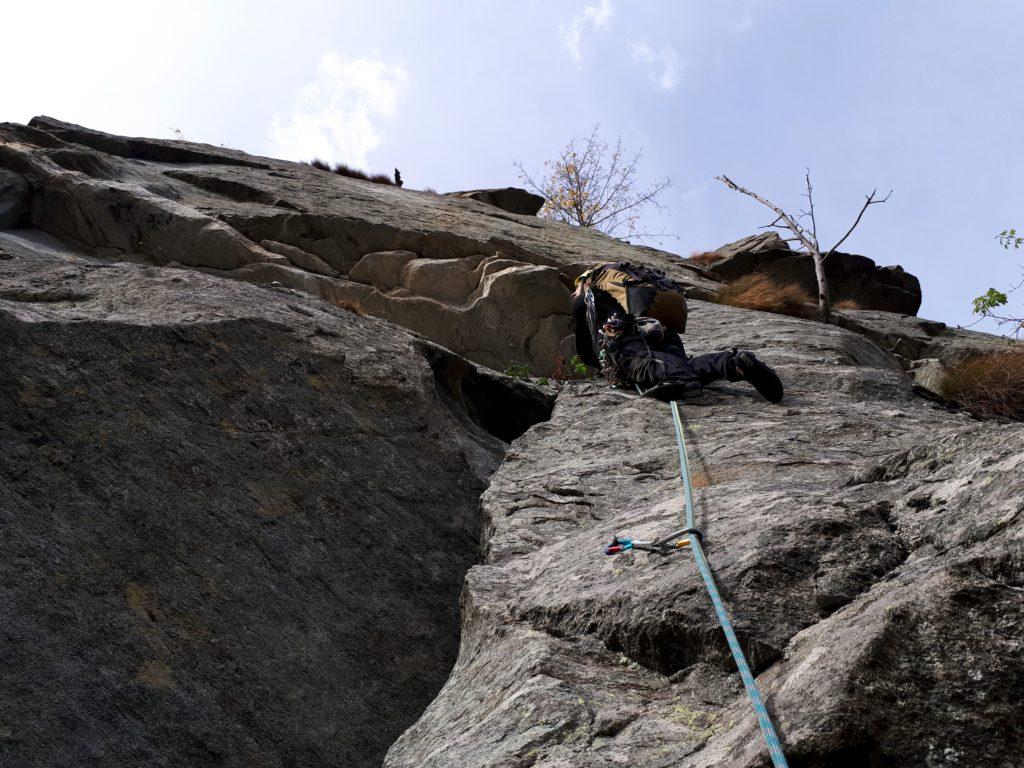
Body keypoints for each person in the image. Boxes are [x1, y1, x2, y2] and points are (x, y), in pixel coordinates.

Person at [571, 283, 784, 403]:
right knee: (687, 366)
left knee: (641, 363)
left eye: (575, 290)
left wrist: (580, 296)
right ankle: (734, 363)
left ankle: (679, 379)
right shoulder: (621, 295)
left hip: (624, 334)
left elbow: (586, 345)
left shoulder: (591, 297)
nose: (573, 294)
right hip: (660, 333)